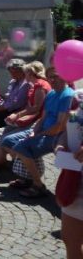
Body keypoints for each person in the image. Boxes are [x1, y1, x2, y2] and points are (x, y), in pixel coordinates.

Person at [3, 68, 74, 198]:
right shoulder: (52, 93)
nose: (52, 80)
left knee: (21, 147)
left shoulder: (68, 95)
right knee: (8, 141)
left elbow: (60, 126)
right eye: (50, 77)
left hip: (55, 136)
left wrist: (39, 135)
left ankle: (38, 185)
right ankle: (28, 175)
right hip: (42, 131)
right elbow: (43, 118)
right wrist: (34, 132)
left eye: (56, 77)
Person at [56, 92, 83, 259]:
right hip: (75, 183)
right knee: (70, 240)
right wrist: (60, 145)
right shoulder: (79, 98)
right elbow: (68, 132)